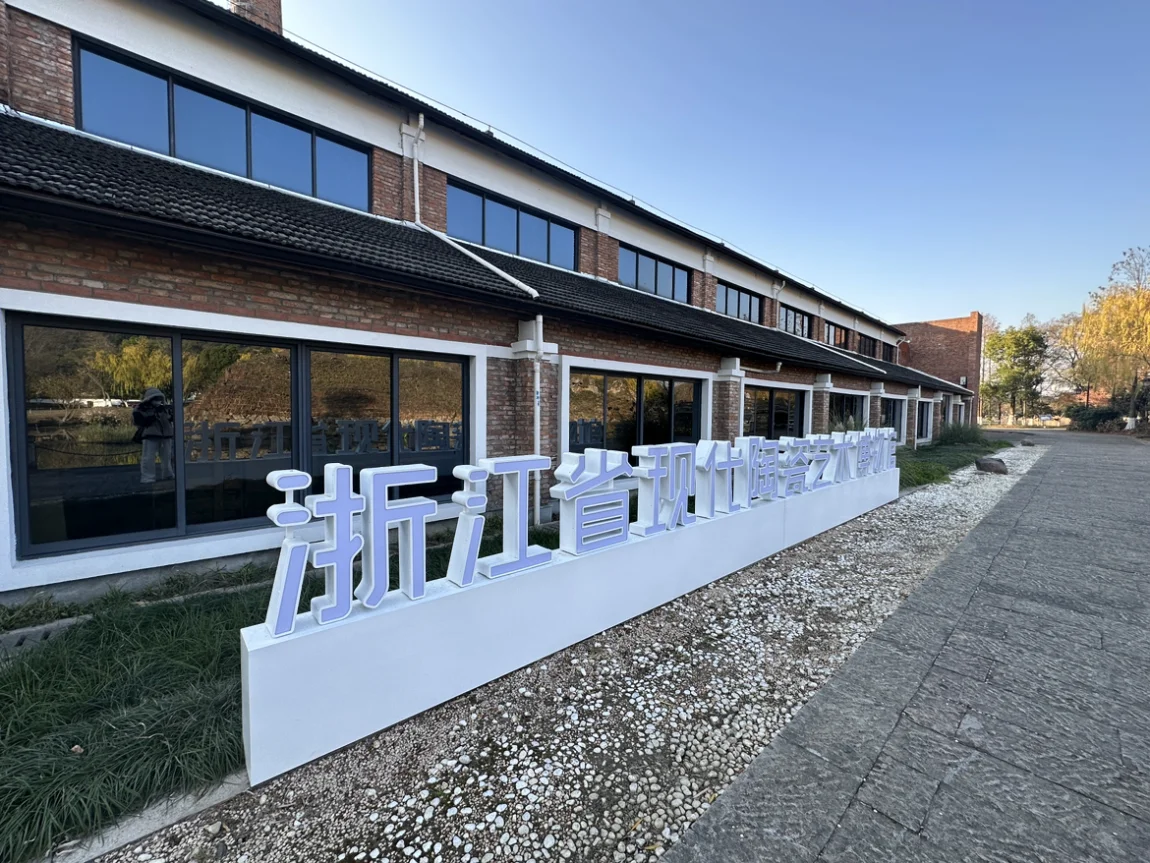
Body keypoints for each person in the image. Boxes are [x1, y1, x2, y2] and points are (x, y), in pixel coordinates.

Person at [133, 387, 174, 483]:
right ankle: (147, 477)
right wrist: (153, 415)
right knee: (148, 457)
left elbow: (170, 419)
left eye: (160, 398)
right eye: (156, 398)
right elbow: (139, 421)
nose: (158, 401)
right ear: (149, 399)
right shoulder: (141, 409)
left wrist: (170, 414)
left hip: (166, 435)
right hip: (150, 435)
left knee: (167, 456)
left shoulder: (164, 409)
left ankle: (168, 474)